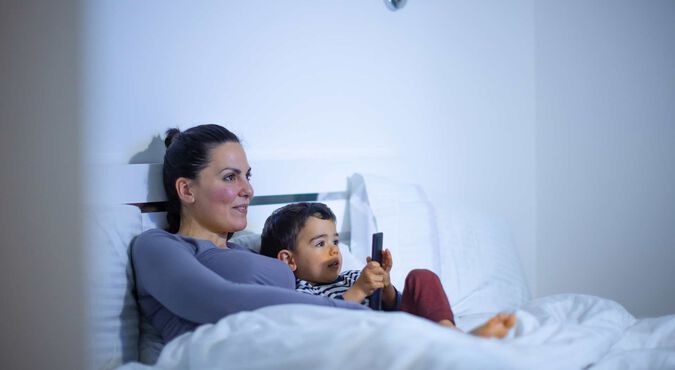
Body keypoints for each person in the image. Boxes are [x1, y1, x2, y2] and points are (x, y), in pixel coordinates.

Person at [131, 124, 367, 343]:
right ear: (186, 189)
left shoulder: (247, 249)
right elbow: (218, 300)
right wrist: (355, 313)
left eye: (247, 176)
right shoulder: (158, 245)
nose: (249, 190)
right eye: (230, 177)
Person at [259, 202, 516, 338]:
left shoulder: (350, 276)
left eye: (335, 241)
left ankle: (451, 333)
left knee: (421, 276)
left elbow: (394, 306)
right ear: (289, 260)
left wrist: (386, 285)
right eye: (320, 243)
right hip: (374, 336)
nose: (334, 250)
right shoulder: (299, 292)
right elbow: (320, 321)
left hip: (397, 323)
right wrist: (359, 290)